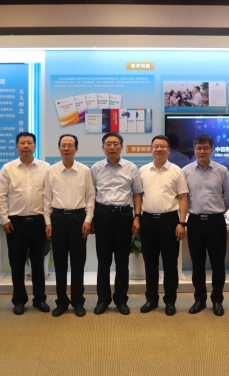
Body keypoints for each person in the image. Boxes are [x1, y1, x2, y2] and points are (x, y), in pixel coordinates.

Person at [0, 132, 51, 315]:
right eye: (22, 143)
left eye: (29, 143)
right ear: (17, 147)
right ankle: (19, 300)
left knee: (38, 263)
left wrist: (48, 221)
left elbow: (49, 196)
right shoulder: (8, 168)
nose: (26, 146)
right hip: (16, 223)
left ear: (35, 146)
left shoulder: (45, 167)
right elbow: (1, 196)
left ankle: (40, 299)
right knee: (17, 263)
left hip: (38, 222)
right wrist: (4, 219)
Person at [91, 132, 143, 316]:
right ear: (103, 147)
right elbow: (91, 195)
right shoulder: (96, 168)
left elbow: (137, 193)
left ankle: (121, 299)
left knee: (122, 261)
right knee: (103, 261)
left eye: (115, 144)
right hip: (103, 215)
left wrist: (137, 217)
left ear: (121, 146)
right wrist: (91, 219)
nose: (112, 147)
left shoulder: (131, 167)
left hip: (124, 216)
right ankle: (103, 300)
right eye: (108, 144)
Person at [44, 134, 95, 317]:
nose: (66, 148)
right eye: (63, 145)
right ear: (59, 148)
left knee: (78, 263)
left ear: (76, 149)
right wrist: (48, 222)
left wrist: (88, 220)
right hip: (57, 218)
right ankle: (61, 302)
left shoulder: (84, 170)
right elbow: (47, 198)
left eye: (70, 145)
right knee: (59, 264)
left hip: (78, 218)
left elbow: (91, 197)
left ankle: (78, 301)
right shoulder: (51, 171)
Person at [139, 135, 188, 316]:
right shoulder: (143, 171)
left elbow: (183, 198)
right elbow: (138, 196)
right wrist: (137, 218)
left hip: (169, 221)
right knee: (150, 263)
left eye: (162, 146)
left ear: (168, 149)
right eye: (156, 146)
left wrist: (181, 222)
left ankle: (170, 301)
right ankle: (151, 299)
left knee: (170, 263)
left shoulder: (177, 171)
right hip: (147, 221)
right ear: (151, 149)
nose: (159, 149)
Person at [182, 134, 229, 316]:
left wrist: (219, 210)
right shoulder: (185, 171)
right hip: (195, 221)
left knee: (218, 263)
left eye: (205, 148)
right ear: (194, 150)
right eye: (199, 148)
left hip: (216, 222)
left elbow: (228, 196)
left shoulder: (222, 171)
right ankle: (199, 299)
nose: (202, 151)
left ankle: (217, 300)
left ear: (212, 150)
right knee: (197, 263)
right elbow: (183, 197)